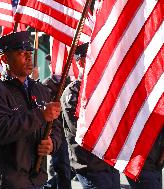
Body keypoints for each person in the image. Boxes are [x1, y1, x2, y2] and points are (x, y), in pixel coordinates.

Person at [0, 31, 63, 189]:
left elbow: (56, 126)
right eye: (21, 53)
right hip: (8, 182)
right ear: (4, 58)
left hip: (37, 179)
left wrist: (52, 143)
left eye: (29, 52)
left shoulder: (41, 90)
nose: (29, 57)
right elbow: (0, 131)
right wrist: (40, 115)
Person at [61, 43, 121, 189]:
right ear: (80, 62)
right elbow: (79, 130)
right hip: (89, 163)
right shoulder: (73, 92)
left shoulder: (103, 87)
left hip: (109, 161)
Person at [43, 54, 72, 189]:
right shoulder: (46, 85)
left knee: (71, 168)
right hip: (56, 130)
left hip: (69, 131)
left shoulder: (69, 82)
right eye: (52, 64)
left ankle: (50, 185)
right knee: (62, 167)